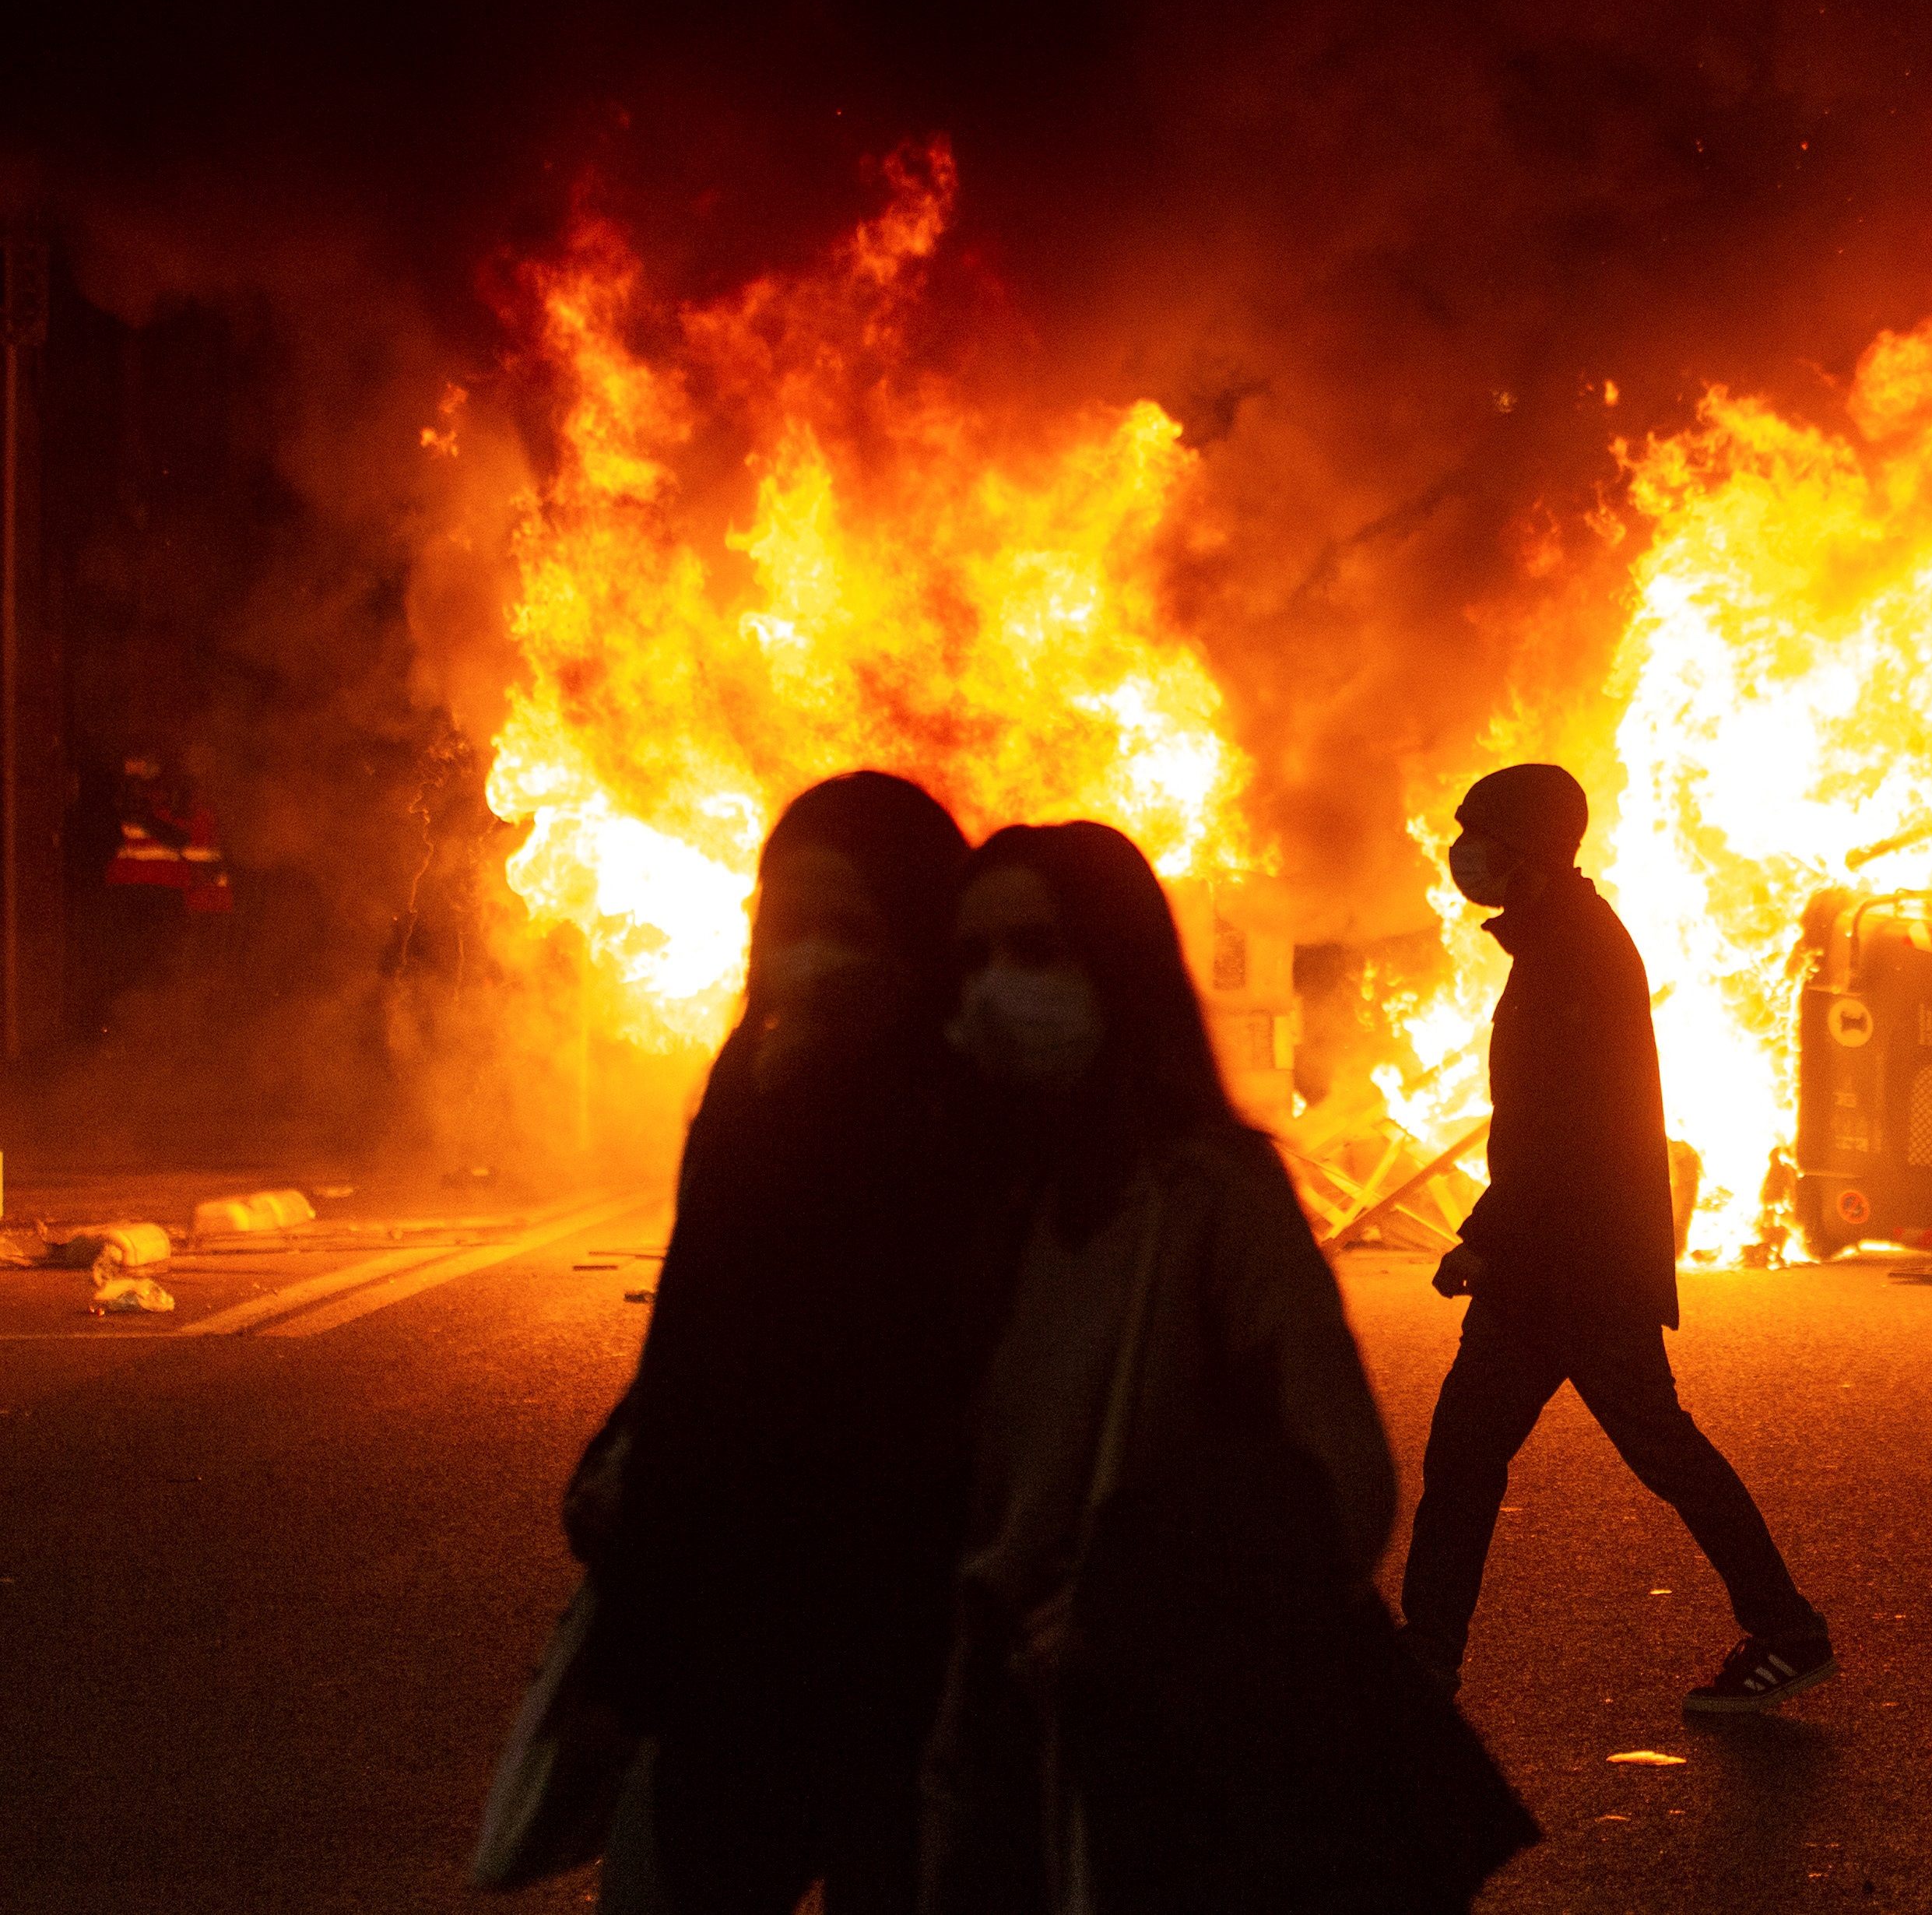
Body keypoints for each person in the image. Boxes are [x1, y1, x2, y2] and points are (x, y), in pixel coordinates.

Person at [922, 822, 1524, 1915]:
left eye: (1039, 949)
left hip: (1163, 1752)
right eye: (972, 958)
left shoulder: (1208, 1197)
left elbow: (1344, 1484)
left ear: (1117, 966)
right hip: (983, 1734)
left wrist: (1137, 1606)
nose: (1000, 987)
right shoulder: (960, 1202)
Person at [577, 771, 975, 1915]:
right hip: (736, 1660)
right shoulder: (749, 1089)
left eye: (848, 927)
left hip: (919, 1663)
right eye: (788, 925)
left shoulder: (979, 1120)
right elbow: (691, 1360)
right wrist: (632, 1645)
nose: (811, 959)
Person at [1397, 763, 1831, 1713]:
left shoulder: (1573, 955)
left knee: (1627, 1452)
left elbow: (1560, 1131)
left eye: (1478, 836)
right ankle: (1423, 1663)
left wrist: (1484, 1238)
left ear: (1526, 851)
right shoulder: (1560, 941)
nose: (1460, 854)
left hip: (1574, 1271)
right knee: (1484, 1458)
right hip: (1562, 1267)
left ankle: (1788, 1630)